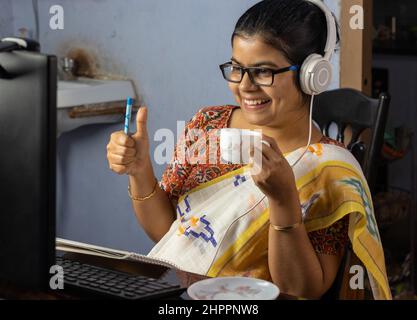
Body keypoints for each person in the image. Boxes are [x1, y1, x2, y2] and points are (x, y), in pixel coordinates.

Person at [106, 0, 391, 299]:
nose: (245, 86)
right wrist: (140, 172)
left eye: (263, 72)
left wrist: (283, 202)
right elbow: (171, 235)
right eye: (237, 68)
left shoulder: (331, 170)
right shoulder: (208, 124)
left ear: (312, 75)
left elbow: (301, 291)